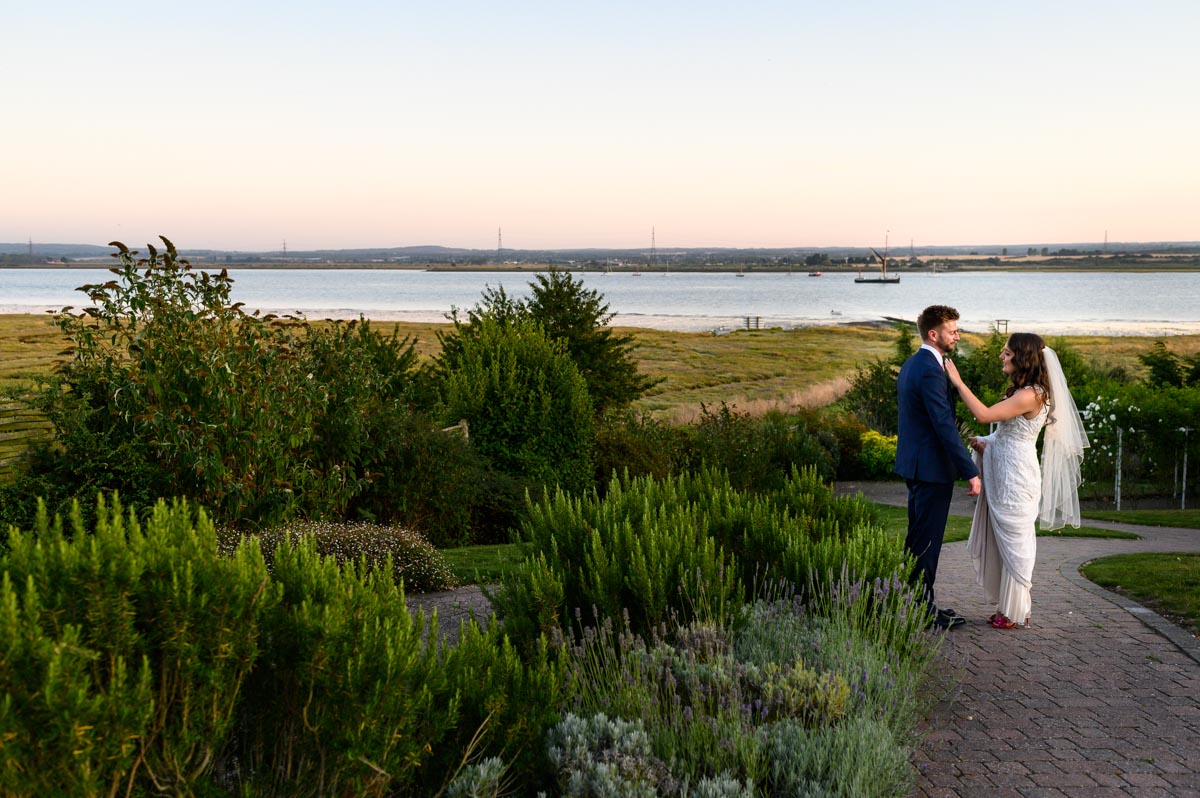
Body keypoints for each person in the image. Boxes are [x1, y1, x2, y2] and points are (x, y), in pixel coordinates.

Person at [944, 333, 1089, 629]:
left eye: (1006, 352)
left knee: (1016, 542)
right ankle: (1008, 607)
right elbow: (1008, 434)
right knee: (1006, 541)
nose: (1001, 356)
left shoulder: (1030, 394)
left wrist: (958, 382)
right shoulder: (1024, 392)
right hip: (1007, 471)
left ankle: (1016, 611)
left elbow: (984, 414)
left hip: (1017, 478)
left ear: (1022, 358)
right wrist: (985, 444)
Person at [895, 305, 981, 630]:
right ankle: (922, 611)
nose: (957, 335)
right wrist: (970, 471)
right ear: (934, 334)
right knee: (927, 542)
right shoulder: (931, 370)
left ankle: (919, 604)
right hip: (930, 470)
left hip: (918, 466)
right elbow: (943, 424)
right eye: (953, 330)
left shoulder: (914, 364)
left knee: (919, 540)